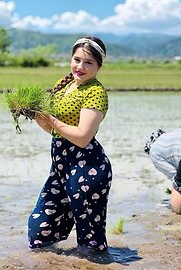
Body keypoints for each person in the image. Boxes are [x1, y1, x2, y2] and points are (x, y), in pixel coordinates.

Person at [28, 36, 112, 252]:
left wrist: (51, 119)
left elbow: (83, 137)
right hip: (60, 167)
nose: (80, 67)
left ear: (99, 66)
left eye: (88, 62)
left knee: (90, 241)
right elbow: (55, 132)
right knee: (40, 230)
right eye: (77, 60)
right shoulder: (63, 86)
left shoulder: (95, 92)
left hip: (87, 168)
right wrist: (37, 117)